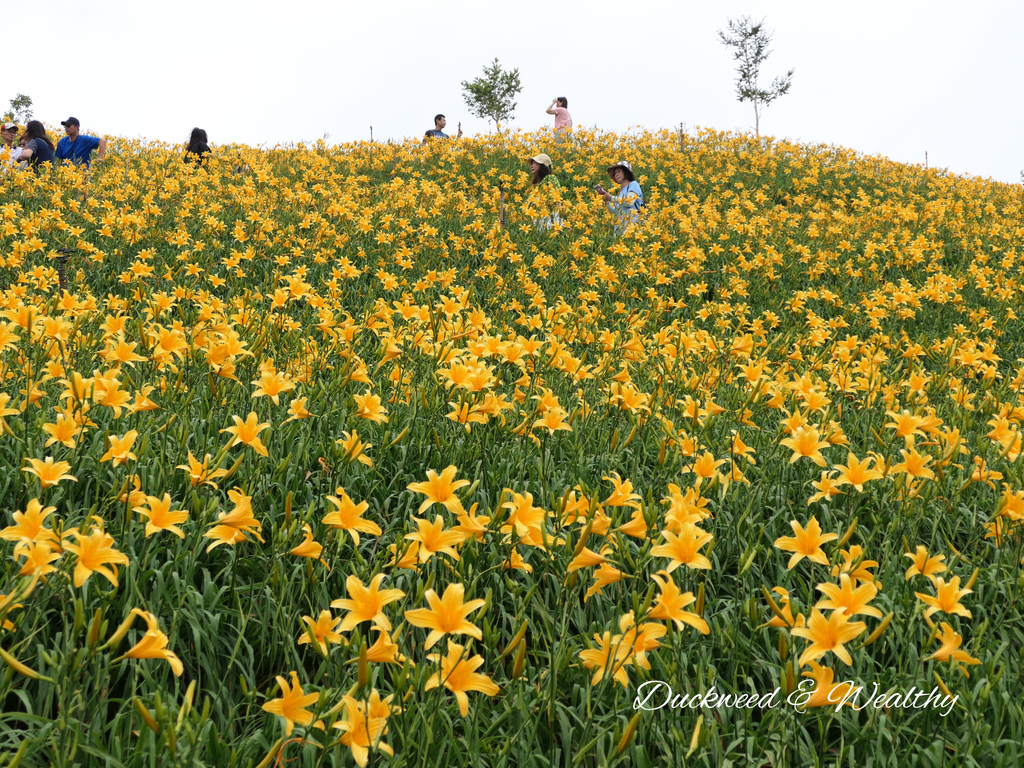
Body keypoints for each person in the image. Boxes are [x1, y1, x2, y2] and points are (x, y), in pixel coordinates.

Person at [596, 160, 643, 235]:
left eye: (619, 171)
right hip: (620, 230)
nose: (616, 175)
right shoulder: (620, 193)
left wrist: (611, 198)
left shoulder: (633, 184)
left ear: (626, 172)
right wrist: (607, 201)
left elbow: (629, 202)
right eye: (615, 173)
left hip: (632, 228)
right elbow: (615, 213)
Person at [528, 153, 562, 230]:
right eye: (531, 163)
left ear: (542, 165)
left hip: (551, 216)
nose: (531, 166)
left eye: (534, 163)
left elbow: (557, 196)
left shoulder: (551, 178)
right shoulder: (535, 184)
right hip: (538, 218)